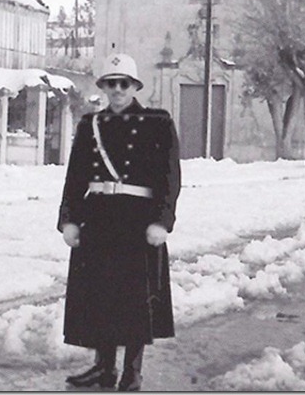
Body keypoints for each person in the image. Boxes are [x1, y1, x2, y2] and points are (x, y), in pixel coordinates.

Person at [58, 53, 181, 391]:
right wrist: (69, 219)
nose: (117, 90)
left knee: (133, 299)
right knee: (99, 295)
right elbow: (75, 177)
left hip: (136, 220)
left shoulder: (157, 122)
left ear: (135, 86)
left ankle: (132, 371)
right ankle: (103, 368)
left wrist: (162, 221)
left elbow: (170, 177)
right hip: (97, 217)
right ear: (103, 87)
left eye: (123, 83)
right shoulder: (90, 125)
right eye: (110, 83)